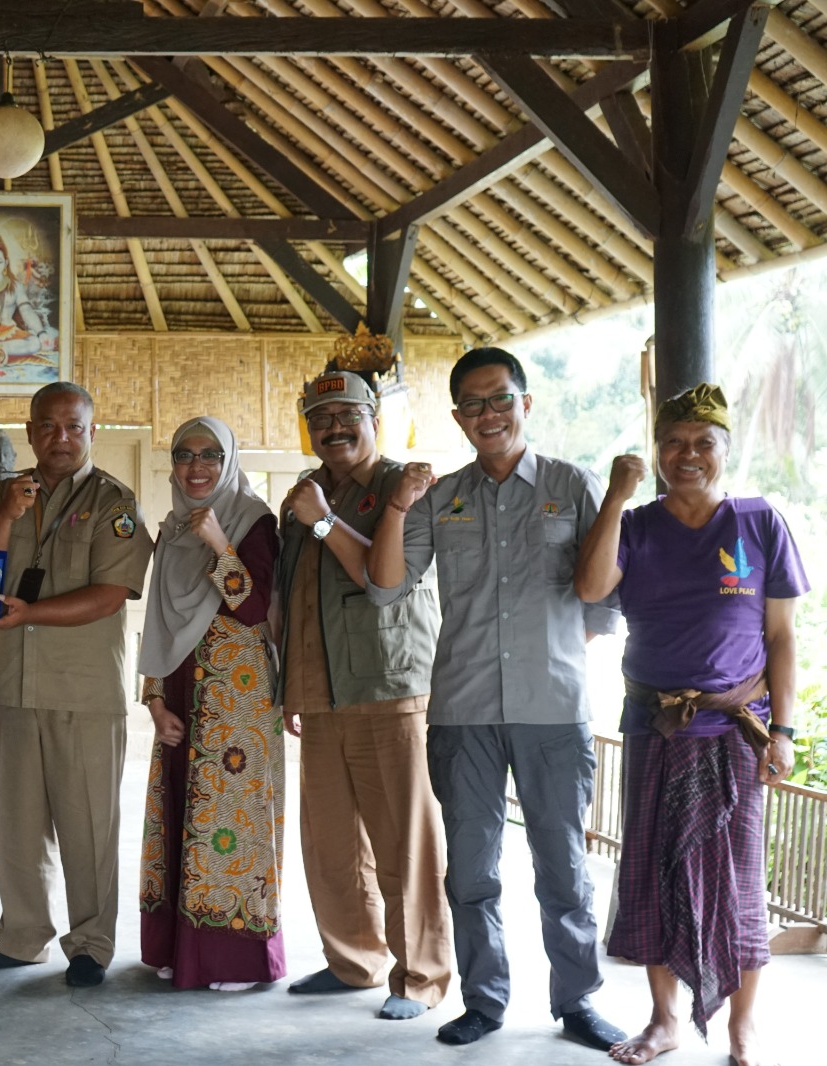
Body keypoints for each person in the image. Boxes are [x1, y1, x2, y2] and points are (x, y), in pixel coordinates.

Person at [367, 347, 628, 1051]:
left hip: (554, 710)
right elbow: (387, 585)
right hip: (465, 711)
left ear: (525, 404)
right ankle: (484, 999)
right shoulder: (442, 496)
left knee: (563, 869)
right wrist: (396, 505)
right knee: (473, 871)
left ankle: (577, 1001)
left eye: (500, 399)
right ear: (458, 417)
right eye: (474, 405)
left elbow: (601, 597)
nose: (489, 415)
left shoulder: (573, 484)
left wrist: (563, 656)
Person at [572, 385, 807, 1066]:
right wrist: (615, 497)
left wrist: (785, 733)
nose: (688, 454)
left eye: (704, 442)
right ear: (656, 450)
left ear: (725, 451)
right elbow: (589, 589)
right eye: (674, 441)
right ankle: (665, 1020)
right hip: (654, 726)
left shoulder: (760, 522)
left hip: (736, 732)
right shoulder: (637, 524)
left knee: (738, 882)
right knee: (652, 876)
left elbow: (783, 639)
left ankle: (741, 1027)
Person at [0, 381, 154, 989]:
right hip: (13, 683)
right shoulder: (3, 492)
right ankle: (22, 938)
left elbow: (110, 595)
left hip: (83, 688)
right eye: (47, 426)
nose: (60, 438)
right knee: (15, 822)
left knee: (87, 824)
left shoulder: (114, 503)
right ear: (30, 431)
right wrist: (7, 515)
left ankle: (91, 945)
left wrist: (31, 613)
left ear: (92, 432)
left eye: (73, 426)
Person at [278, 371, 451, 1019]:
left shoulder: (404, 485)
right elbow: (291, 595)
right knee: (331, 842)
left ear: (374, 415)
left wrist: (323, 523)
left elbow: (385, 583)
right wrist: (291, 686)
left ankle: (420, 975)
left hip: (390, 685)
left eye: (348, 413)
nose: (334, 428)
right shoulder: (306, 492)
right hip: (320, 693)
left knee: (405, 840)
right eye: (320, 418)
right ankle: (354, 962)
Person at [137, 416, 282, 990]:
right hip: (178, 693)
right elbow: (155, 621)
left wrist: (220, 544)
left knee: (229, 828)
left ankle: (234, 957)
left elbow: (253, 607)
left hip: (237, 702)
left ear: (229, 461)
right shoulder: (173, 529)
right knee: (176, 817)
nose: (196, 467)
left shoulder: (254, 521)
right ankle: (181, 947)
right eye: (184, 455)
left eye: (210, 455)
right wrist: (153, 700)